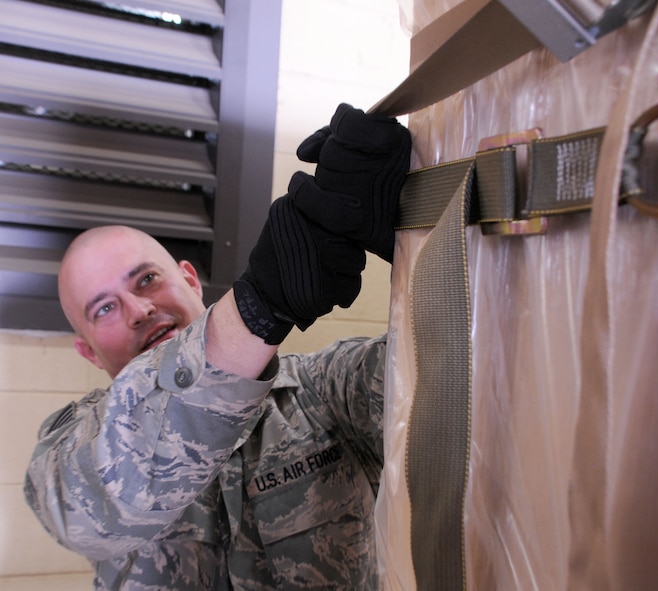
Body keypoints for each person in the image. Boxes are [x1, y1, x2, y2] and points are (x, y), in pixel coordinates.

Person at [24, 104, 411, 590]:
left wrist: (418, 246)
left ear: (189, 281)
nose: (138, 310)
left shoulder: (323, 393)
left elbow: (452, 391)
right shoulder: (72, 448)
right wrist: (260, 304)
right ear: (88, 351)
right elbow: (89, 509)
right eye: (103, 308)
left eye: (146, 279)